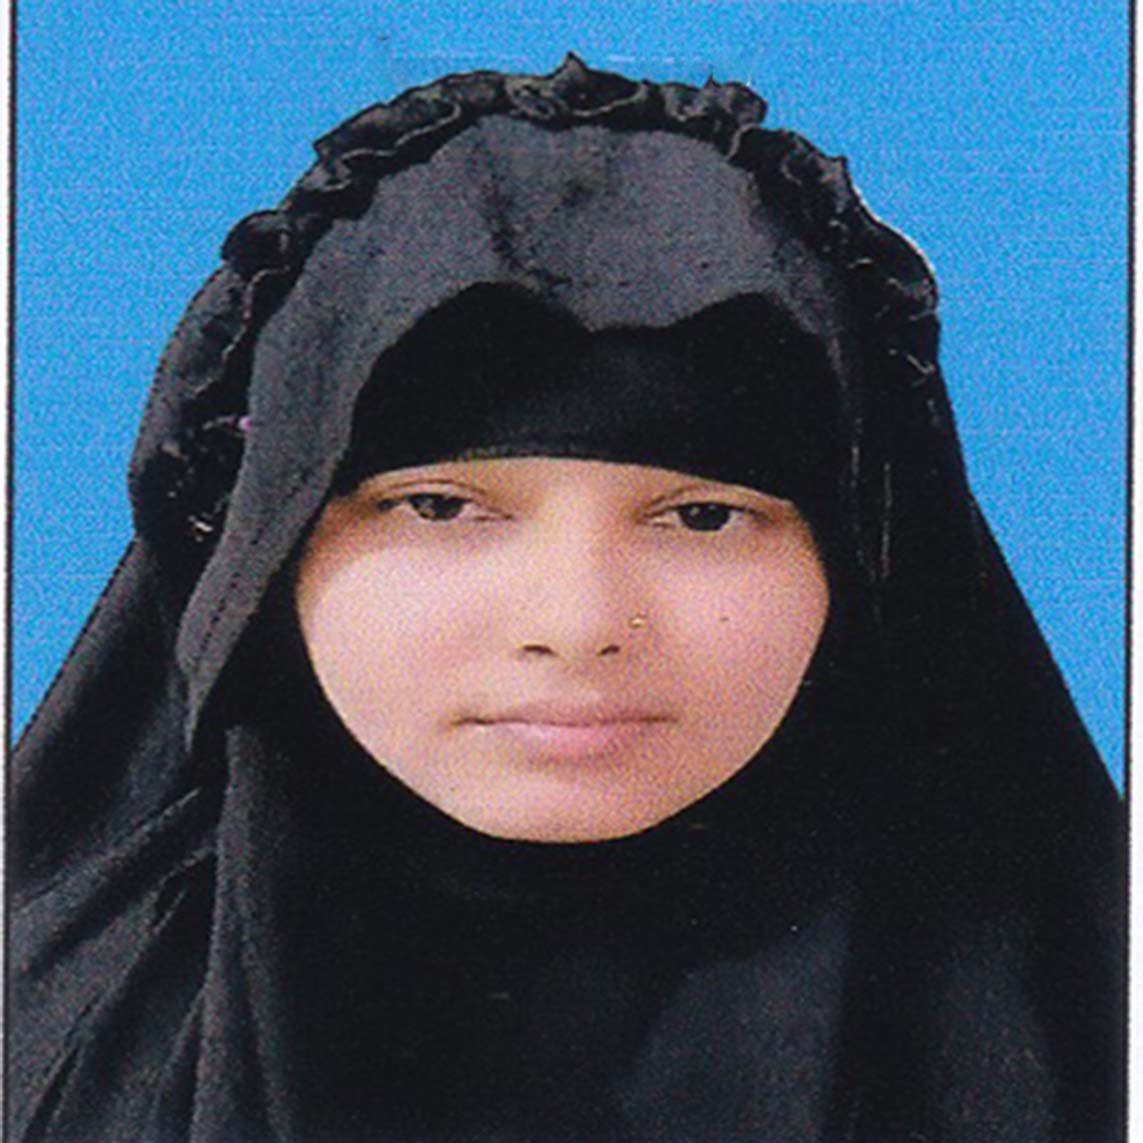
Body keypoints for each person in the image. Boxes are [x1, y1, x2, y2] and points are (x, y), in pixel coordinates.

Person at [9, 57, 1124, 1142]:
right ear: (264, 550)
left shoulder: (1100, 1036)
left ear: (861, 562)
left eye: (702, 516)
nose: (578, 624)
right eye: (439, 507)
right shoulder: (42, 1049)